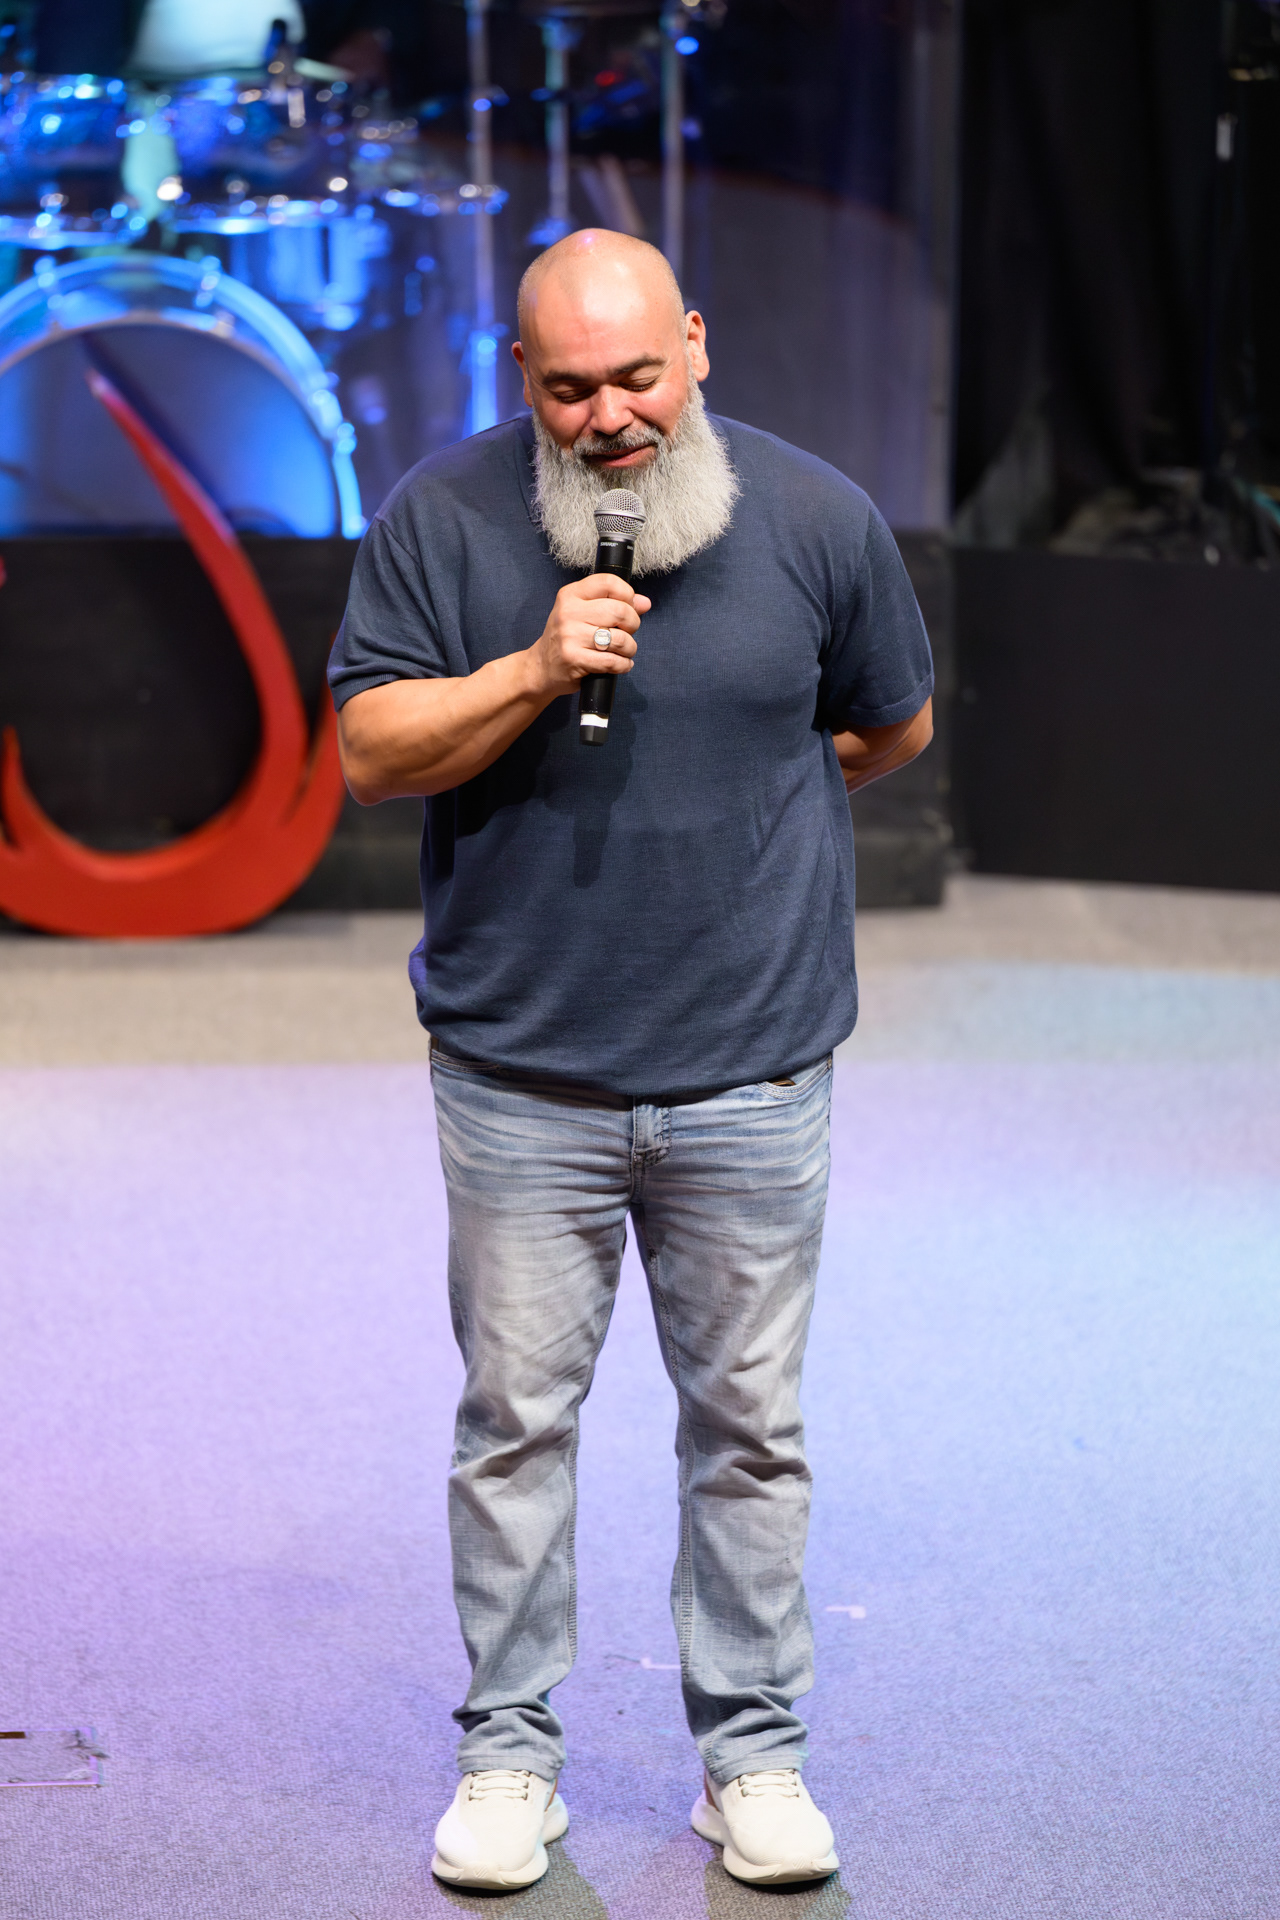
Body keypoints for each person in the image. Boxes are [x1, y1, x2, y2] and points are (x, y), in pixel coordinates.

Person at [329, 229, 934, 1892]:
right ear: (521, 376)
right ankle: (509, 1760)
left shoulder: (818, 519)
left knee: (750, 1430)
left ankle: (754, 1760)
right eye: (573, 388)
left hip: (755, 1076)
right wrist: (531, 671)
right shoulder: (439, 518)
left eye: (641, 377)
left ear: (699, 348)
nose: (612, 416)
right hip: (522, 1083)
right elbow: (371, 752)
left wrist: (754, 817)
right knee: (514, 1430)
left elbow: (889, 724)